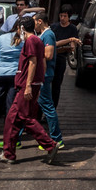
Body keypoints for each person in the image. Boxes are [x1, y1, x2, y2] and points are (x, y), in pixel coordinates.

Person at [0, 15, 59, 165]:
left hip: (27, 84)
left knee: (23, 118)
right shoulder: (36, 40)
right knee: (15, 119)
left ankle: (49, 144)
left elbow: (32, 62)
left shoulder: (31, 41)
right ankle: (9, 153)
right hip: (32, 83)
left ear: (22, 28)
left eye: (18, 28)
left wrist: (29, 85)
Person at [32, 10, 65, 150]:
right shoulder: (42, 34)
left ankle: (56, 139)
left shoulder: (48, 34)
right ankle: (15, 137)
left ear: (40, 21)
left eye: (34, 22)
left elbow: (49, 55)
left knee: (47, 106)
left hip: (44, 75)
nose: (33, 25)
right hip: (40, 74)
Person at [49, 6, 81, 110]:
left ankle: (53, 108)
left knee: (56, 86)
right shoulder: (54, 27)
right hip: (50, 58)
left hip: (61, 59)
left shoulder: (72, 29)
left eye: (65, 16)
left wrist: (71, 46)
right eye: (61, 15)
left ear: (69, 17)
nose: (62, 18)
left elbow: (73, 44)